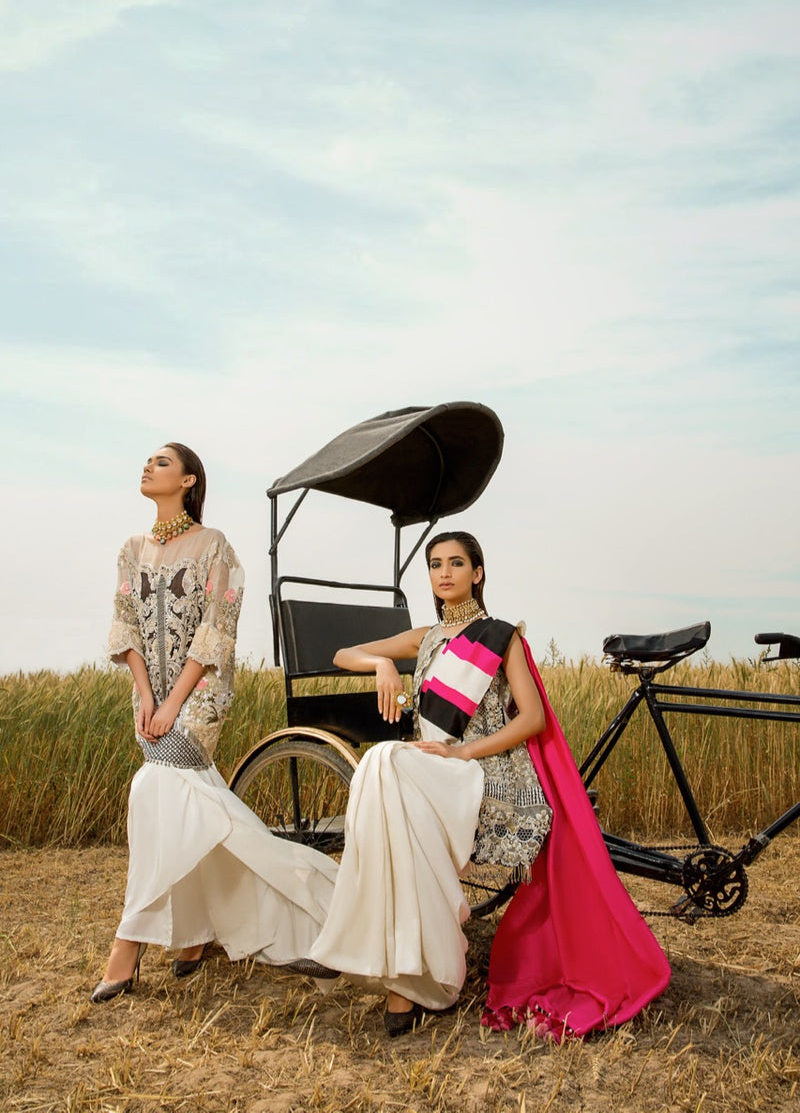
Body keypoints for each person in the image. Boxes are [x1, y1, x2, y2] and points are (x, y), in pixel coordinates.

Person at [298, 531, 671, 1039]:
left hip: (480, 772)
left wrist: (461, 750)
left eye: (456, 563)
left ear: (477, 573)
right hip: (426, 768)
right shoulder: (423, 637)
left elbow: (534, 718)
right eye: (435, 564)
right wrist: (382, 664)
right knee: (385, 771)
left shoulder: (501, 636)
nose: (444, 572)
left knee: (383, 762)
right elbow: (345, 653)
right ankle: (405, 976)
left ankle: (365, 951)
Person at [91, 443, 338, 1002]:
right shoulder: (131, 550)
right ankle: (195, 938)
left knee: (154, 788)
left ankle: (126, 943)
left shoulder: (214, 546)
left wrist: (175, 703)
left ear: (188, 480)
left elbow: (215, 632)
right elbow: (124, 624)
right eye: (146, 460)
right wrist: (147, 695)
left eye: (160, 462)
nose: (147, 466)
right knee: (185, 803)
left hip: (198, 696)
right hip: (147, 699)